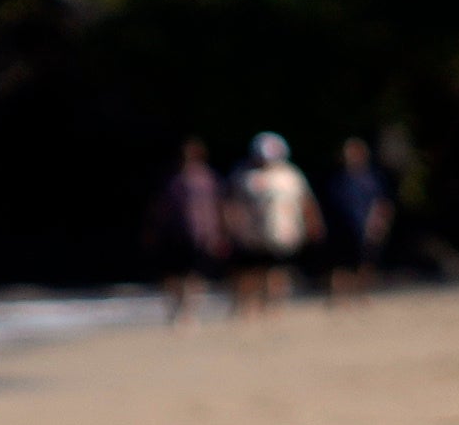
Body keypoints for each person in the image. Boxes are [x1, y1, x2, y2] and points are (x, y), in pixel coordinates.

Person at [228, 131, 317, 316]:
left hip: (283, 233)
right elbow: (232, 204)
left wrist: (311, 224)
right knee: (252, 271)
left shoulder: (291, 175)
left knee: (279, 271)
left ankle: (275, 306)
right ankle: (249, 307)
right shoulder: (244, 176)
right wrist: (234, 227)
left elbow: (305, 201)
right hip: (252, 235)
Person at [153, 139, 228, 321]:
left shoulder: (209, 179)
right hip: (175, 234)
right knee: (172, 274)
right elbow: (160, 208)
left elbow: (220, 207)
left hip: (202, 235)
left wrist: (221, 232)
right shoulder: (172, 180)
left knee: (196, 274)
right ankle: (175, 307)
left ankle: (188, 312)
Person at [317, 136, 394, 298]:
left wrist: (381, 223)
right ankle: (339, 295)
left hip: (366, 225)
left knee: (366, 261)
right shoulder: (336, 178)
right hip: (340, 226)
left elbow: (382, 202)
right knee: (340, 263)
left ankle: (361, 293)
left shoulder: (372, 178)